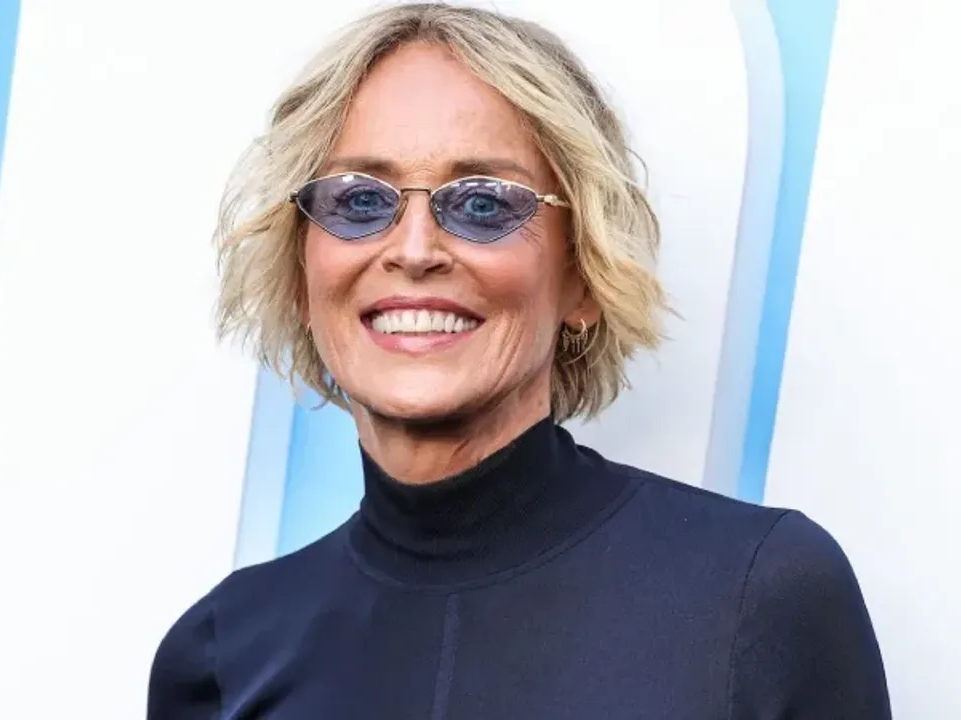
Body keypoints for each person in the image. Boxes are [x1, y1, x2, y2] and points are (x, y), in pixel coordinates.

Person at [148, 3, 891, 718]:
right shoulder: (220, 656)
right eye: (360, 202)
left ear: (583, 275)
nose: (413, 250)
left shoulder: (757, 597)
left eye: (482, 204)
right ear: (302, 275)